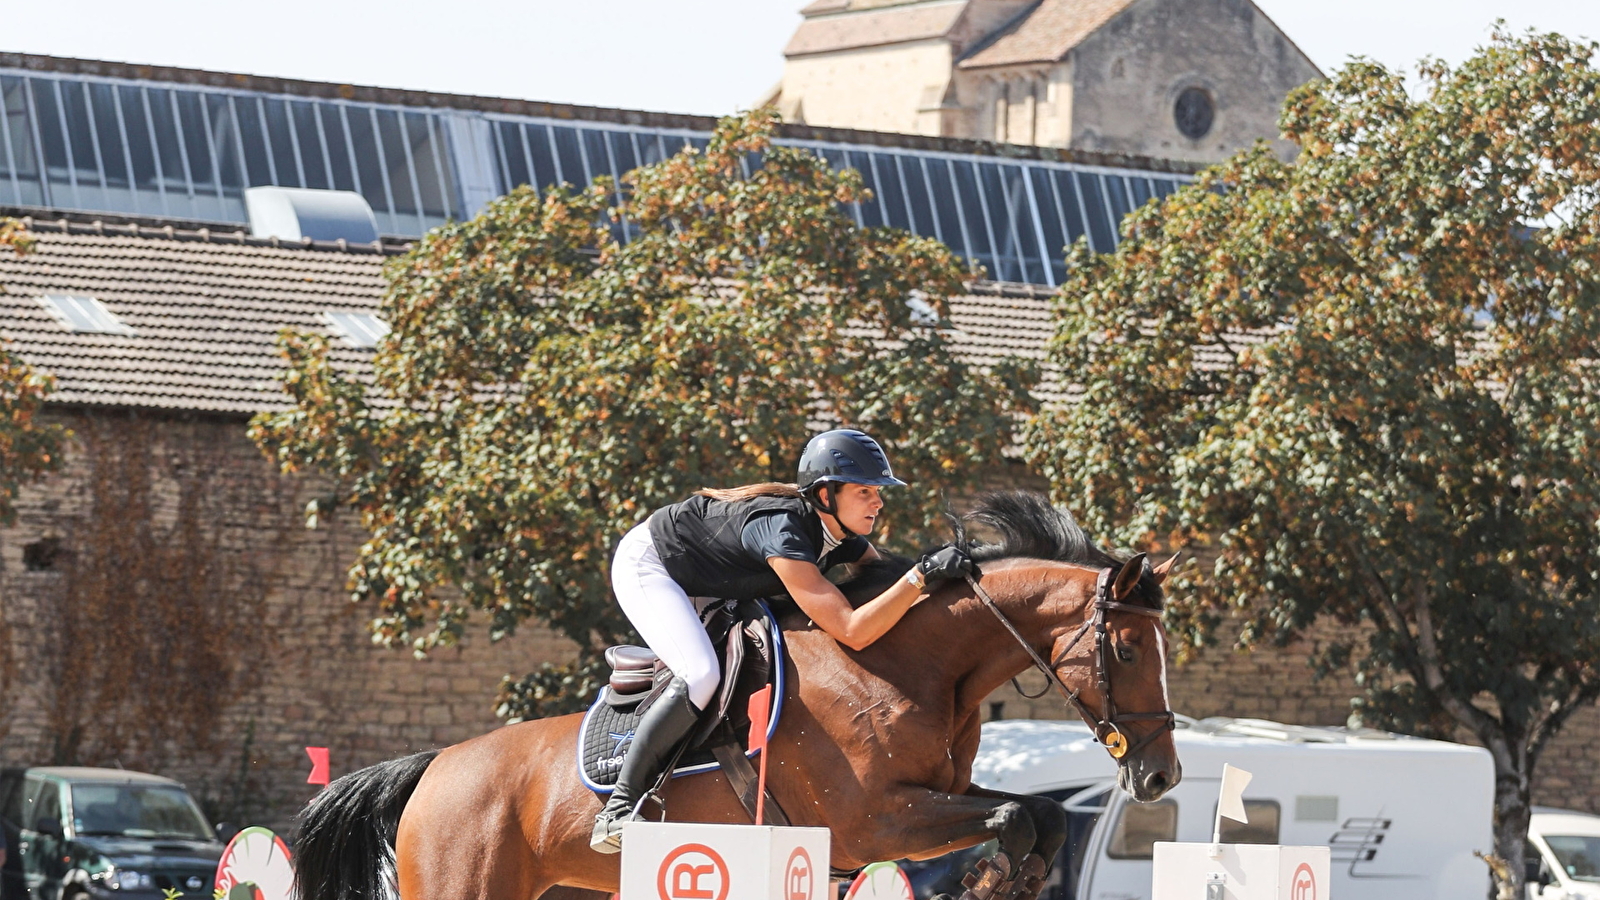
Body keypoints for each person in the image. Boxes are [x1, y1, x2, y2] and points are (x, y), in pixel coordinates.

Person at [591, 429, 972, 853]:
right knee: (700, 673)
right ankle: (618, 808)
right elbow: (853, 629)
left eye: (878, 491)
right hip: (655, 565)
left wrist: (938, 578)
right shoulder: (784, 532)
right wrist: (920, 576)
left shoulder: (838, 534)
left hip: (713, 576)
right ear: (826, 495)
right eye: (865, 491)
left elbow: (886, 584)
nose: (878, 501)